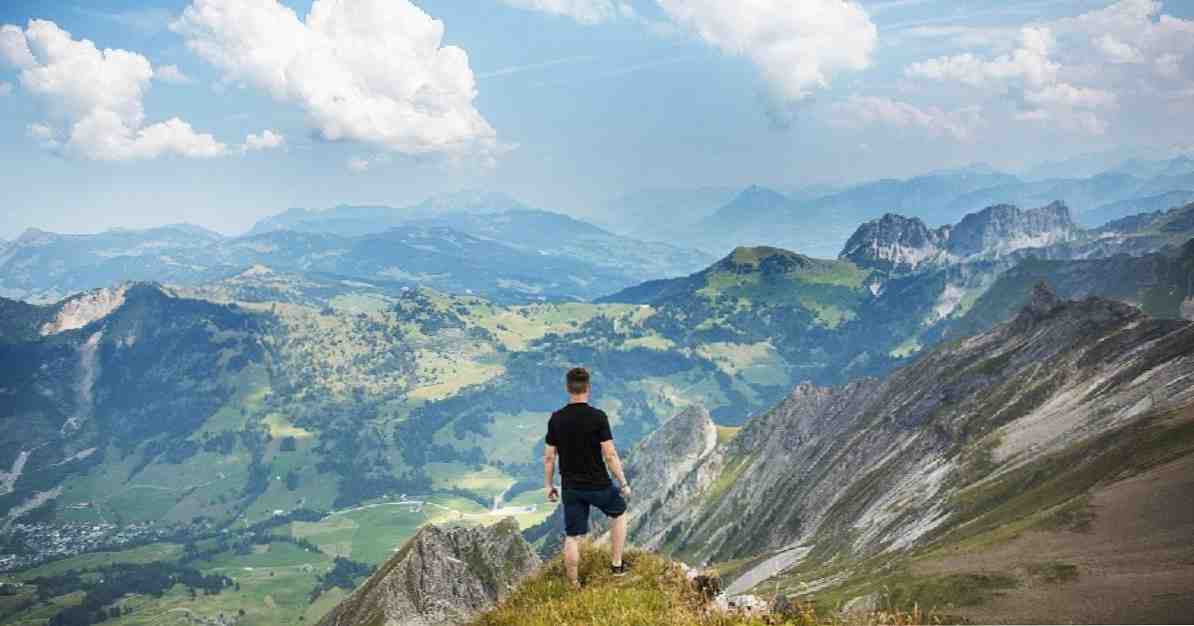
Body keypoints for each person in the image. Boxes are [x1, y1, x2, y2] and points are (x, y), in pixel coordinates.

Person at [543, 367, 632, 587]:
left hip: (571, 487)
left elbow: (549, 457)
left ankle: (573, 584)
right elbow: (610, 454)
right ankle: (617, 566)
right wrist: (623, 482)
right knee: (619, 513)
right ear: (588, 388)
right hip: (598, 483)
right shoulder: (598, 417)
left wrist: (549, 485)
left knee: (573, 536)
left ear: (567, 388)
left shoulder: (556, 419)